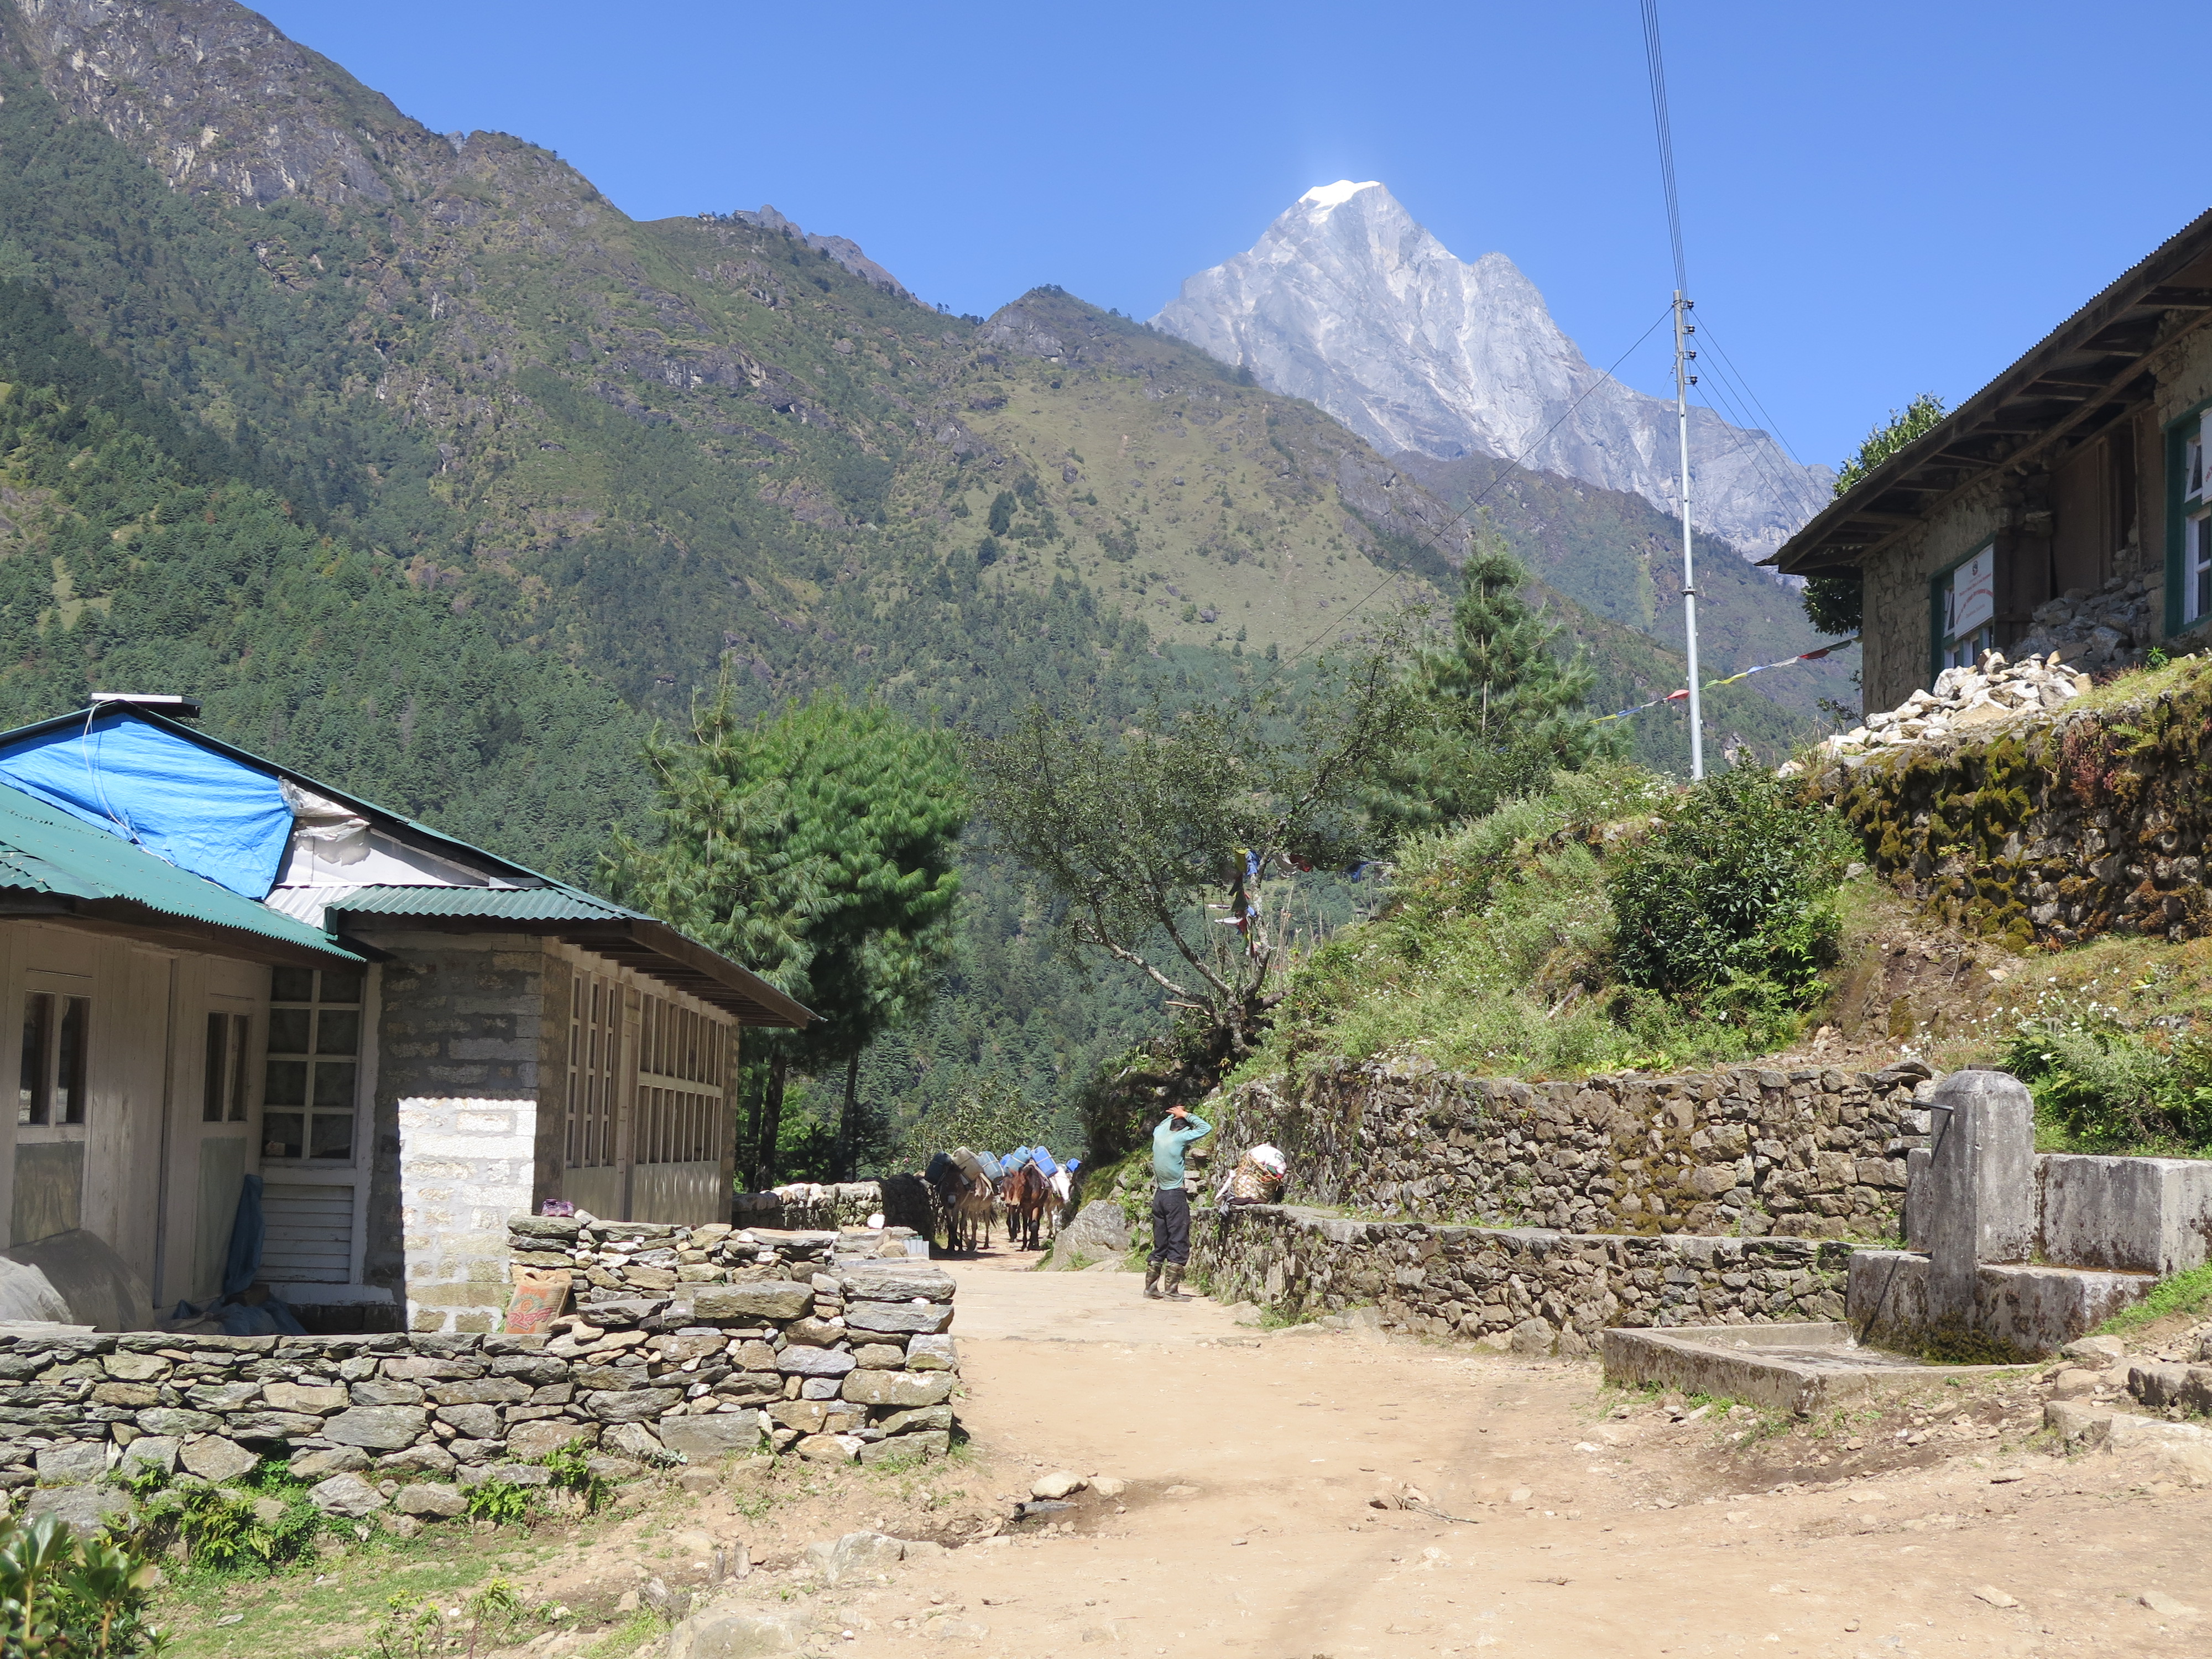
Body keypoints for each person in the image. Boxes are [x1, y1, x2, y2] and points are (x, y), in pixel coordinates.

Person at [1145, 1103, 1212, 1301]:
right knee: (1178, 1240)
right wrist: (1186, 1114)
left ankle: (1150, 1288)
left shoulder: (1159, 1134)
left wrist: (1174, 1114)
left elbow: (1164, 1124)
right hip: (1174, 1196)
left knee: (1161, 1242)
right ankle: (1172, 1291)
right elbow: (1206, 1128)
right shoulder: (1181, 1138)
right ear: (1184, 1129)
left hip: (1159, 1196)